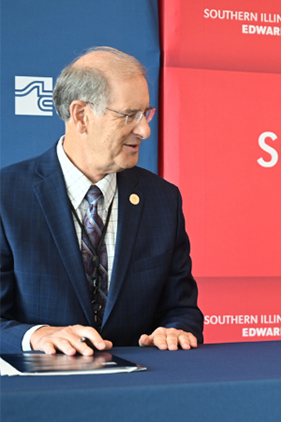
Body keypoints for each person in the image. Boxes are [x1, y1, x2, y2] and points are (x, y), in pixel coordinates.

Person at [1, 46, 203, 354]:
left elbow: (182, 309)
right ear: (81, 116)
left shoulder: (163, 200)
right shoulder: (7, 195)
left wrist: (175, 330)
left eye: (146, 113)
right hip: (41, 394)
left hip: (140, 391)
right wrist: (36, 335)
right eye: (129, 116)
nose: (145, 130)